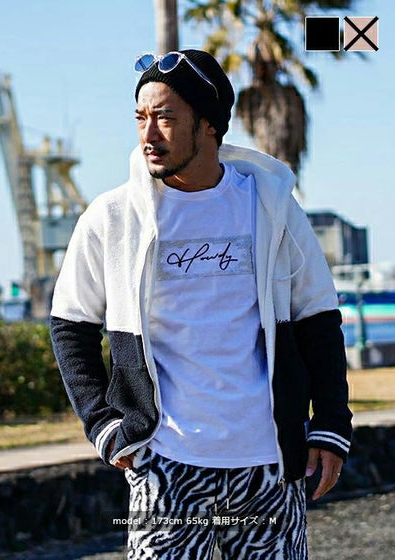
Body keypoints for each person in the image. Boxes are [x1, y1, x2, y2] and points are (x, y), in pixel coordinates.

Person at [50, 49, 352, 559]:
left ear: (209, 124)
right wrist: (103, 424)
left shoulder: (271, 207)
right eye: (141, 118)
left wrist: (331, 424)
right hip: (166, 465)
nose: (148, 134)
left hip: (268, 464)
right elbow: (70, 324)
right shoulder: (113, 217)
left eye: (165, 117)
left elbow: (317, 319)